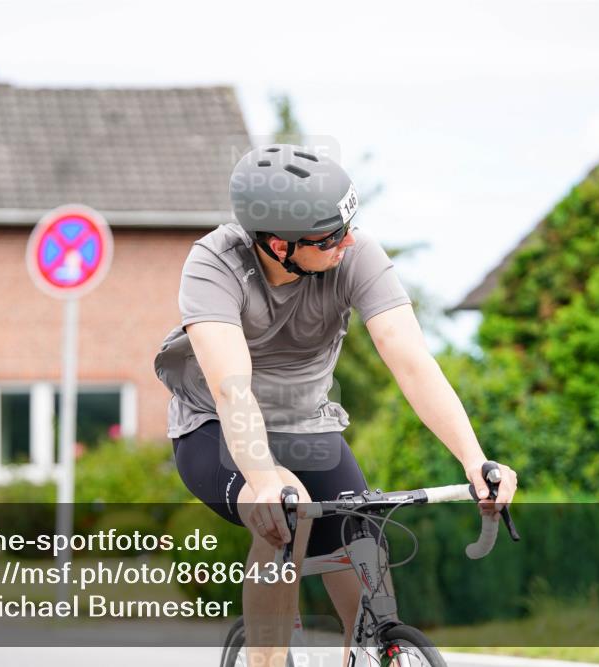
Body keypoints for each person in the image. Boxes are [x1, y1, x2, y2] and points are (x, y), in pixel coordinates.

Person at [154, 145, 517, 667]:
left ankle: (373, 652)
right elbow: (234, 389)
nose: (348, 242)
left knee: (364, 540)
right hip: (216, 428)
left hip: (310, 426)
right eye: (330, 237)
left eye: (349, 226)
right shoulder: (214, 265)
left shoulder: (354, 252)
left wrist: (473, 459)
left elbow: (411, 360)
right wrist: (263, 479)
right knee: (285, 513)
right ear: (279, 244)